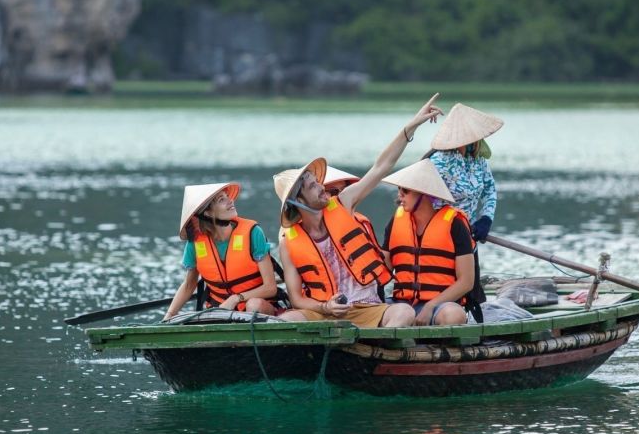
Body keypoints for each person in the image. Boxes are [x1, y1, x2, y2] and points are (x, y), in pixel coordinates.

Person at [274, 95, 443, 328]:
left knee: (403, 313)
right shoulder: (287, 241)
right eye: (313, 186)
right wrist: (325, 307)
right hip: (325, 313)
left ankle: (377, 354)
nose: (323, 188)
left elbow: (381, 167)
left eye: (318, 182)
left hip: (366, 308)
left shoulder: (343, 202)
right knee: (285, 319)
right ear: (298, 201)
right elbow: (296, 298)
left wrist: (411, 126)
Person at [427, 103, 503, 319]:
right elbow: (427, 201)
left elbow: (490, 190)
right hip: (442, 237)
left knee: (471, 294)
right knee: (448, 289)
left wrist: (486, 218)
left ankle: (471, 322)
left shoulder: (478, 161)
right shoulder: (439, 162)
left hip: (469, 236)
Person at [163, 182, 279, 320]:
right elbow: (189, 285)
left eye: (227, 196)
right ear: (207, 212)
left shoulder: (253, 233)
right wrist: (169, 316)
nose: (231, 201)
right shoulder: (195, 243)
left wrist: (236, 298)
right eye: (221, 200)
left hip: (256, 307)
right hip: (218, 312)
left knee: (253, 305)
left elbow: (271, 288)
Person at [381, 159, 474, 326]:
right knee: (382, 311)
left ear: (423, 194)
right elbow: (382, 270)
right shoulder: (396, 221)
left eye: (405, 190)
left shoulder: (455, 224)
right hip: (401, 305)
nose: (399, 195)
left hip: (440, 307)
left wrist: (431, 306)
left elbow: (466, 281)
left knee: (454, 315)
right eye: (399, 190)